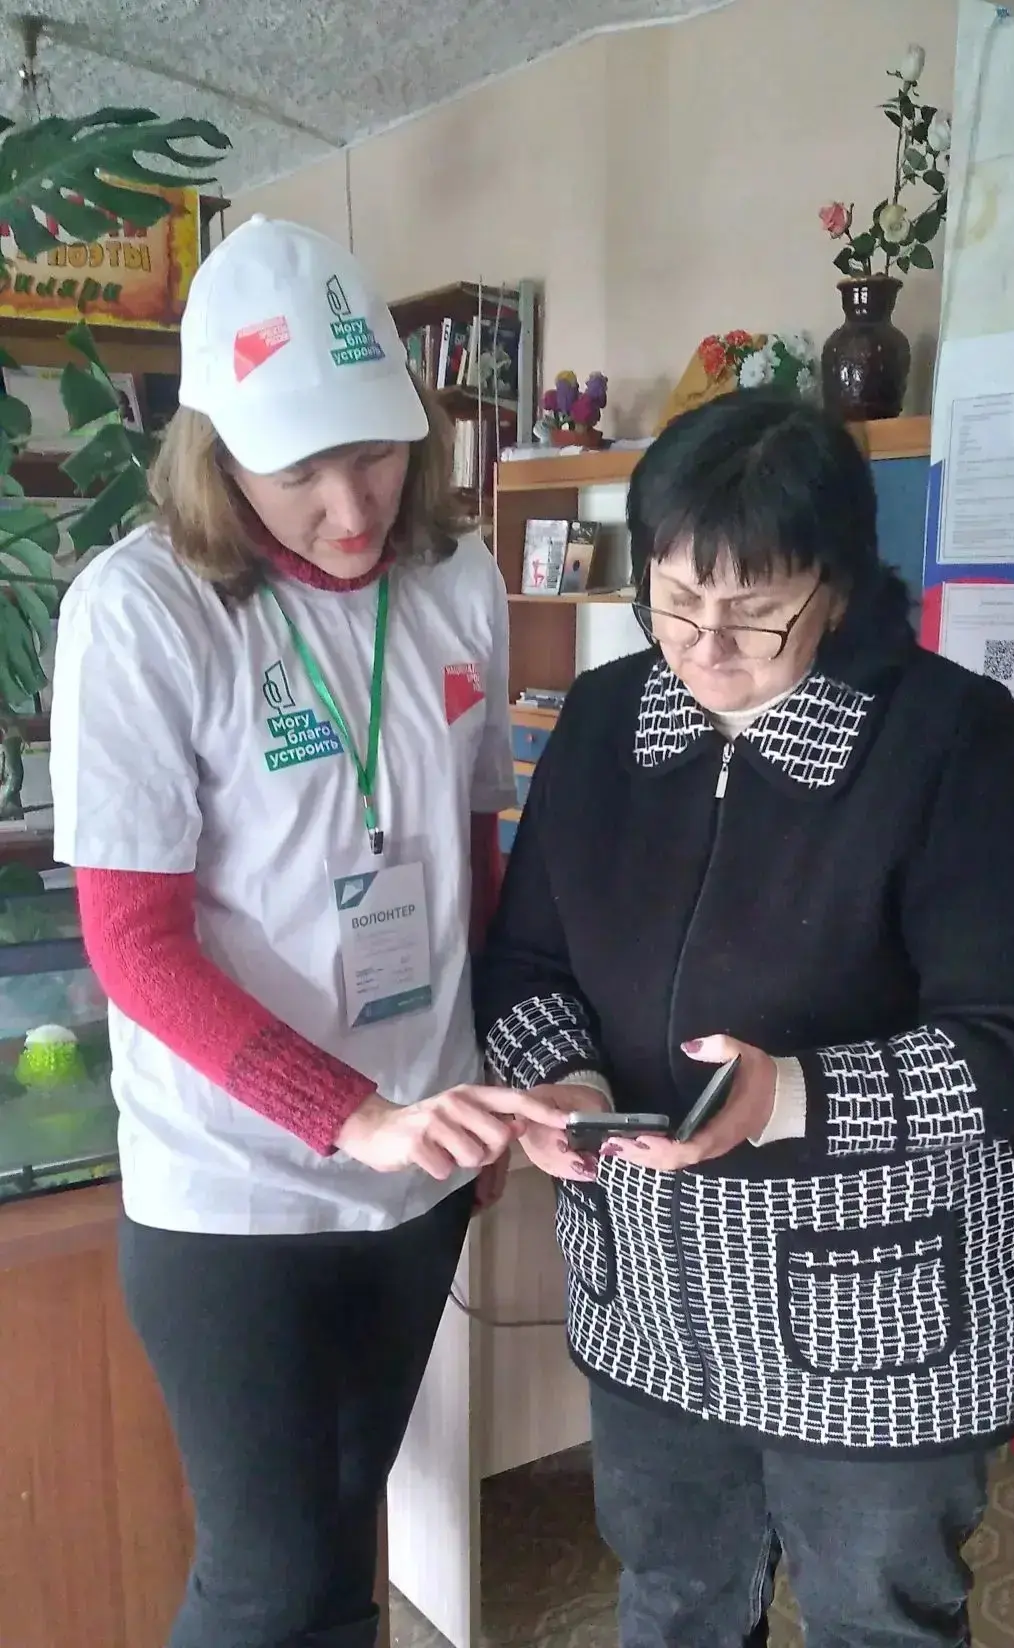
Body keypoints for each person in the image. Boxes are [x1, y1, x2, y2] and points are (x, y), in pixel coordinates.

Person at [474, 388, 1014, 1648]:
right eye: (675, 598)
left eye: (755, 610)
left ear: (840, 584)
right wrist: (565, 1081)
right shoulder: (604, 720)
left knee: (879, 1622)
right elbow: (527, 961)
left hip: (879, 1316)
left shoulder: (945, 739)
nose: (706, 644)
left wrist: (791, 1095)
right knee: (675, 1603)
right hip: (651, 1299)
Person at [49, 215, 565, 1648]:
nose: (351, 507)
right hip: (236, 1193)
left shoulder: (455, 580)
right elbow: (136, 946)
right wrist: (354, 1116)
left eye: (377, 455)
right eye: (301, 473)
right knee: (265, 1577)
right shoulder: (142, 613)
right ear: (218, 455)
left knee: (345, 1541)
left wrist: (474, 1083)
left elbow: (471, 856)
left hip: (417, 1169)